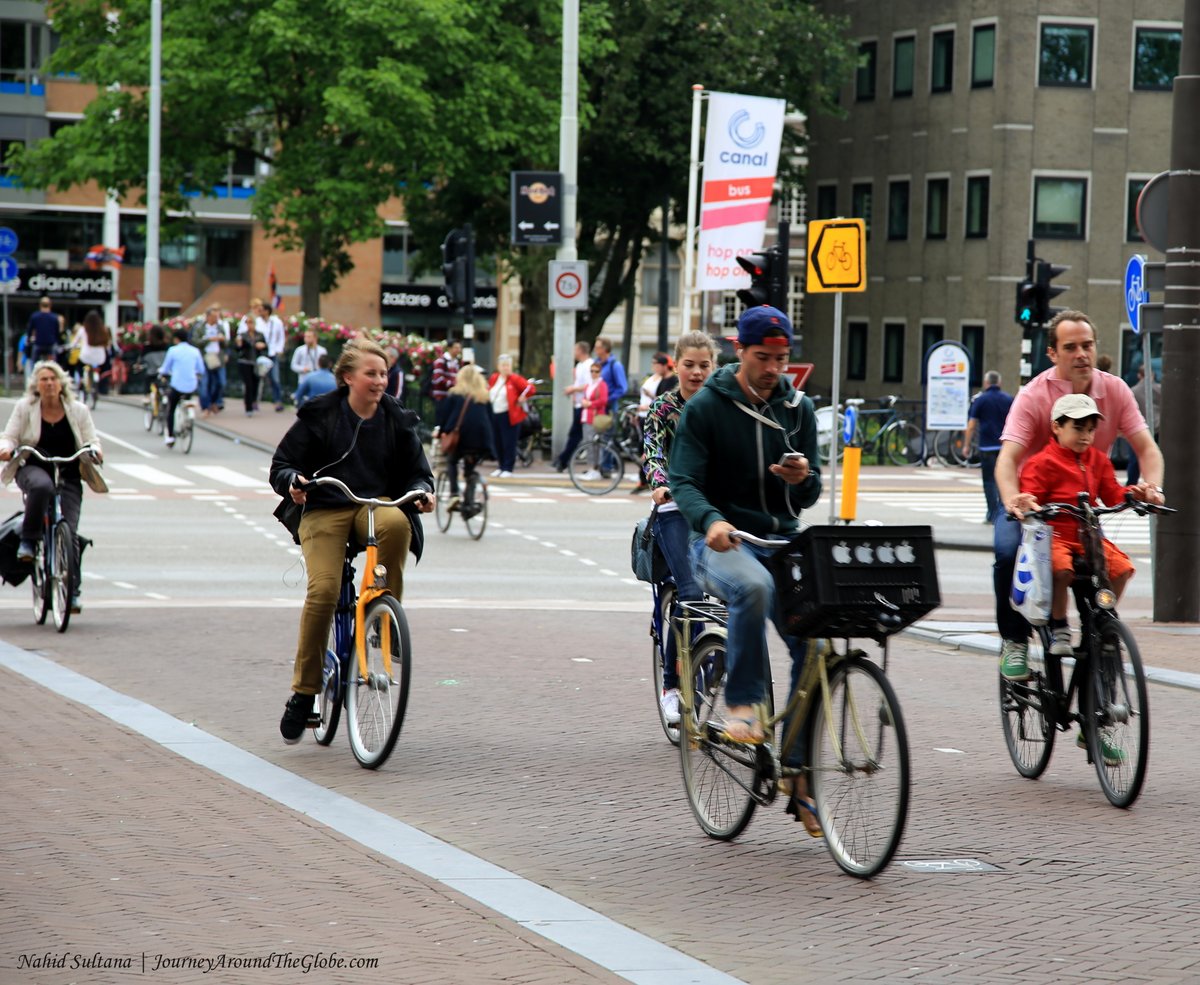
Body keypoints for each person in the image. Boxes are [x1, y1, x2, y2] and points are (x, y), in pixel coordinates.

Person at [669, 305, 822, 834]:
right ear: (739, 351)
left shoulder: (798, 409)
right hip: (720, 541)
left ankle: (797, 770)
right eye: (763, 357)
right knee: (753, 587)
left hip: (780, 539)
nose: (773, 368)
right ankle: (742, 705)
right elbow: (683, 480)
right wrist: (710, 520)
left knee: (819, 641)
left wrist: (802, 478)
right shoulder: (706, 408)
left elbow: (809, 494)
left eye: (781, 358)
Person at [268, 340, 435, 744]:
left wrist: (423, 492)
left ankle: (381, 612)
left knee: (397, 523)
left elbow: (419, 471)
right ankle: (304, 693)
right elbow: (282, 465)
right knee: (324, 591)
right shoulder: (322, 414)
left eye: (384, 374)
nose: (380, 381)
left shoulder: (395, 418)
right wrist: (294, 483)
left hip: (373, 506)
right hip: (325, 507)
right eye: (371, 374)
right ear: (348, 378)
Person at [994, 310, 1164, 682]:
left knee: (1105, 582)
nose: (1081, 354)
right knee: (1008, 553)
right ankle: (1015, 640)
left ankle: (1099, 641)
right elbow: (1007, 460)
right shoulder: (1033, 395)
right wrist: (1014, 500)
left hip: (1081, 511)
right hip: (1031, 502)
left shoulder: (1115, 390)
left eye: (1087, 345)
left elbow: (1147, 450)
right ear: (1052, 353)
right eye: (1070, 347)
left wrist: (1150, 489)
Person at [1014, 394, 1149, 660]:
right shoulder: (1041, 462)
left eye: (1090, 430)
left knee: (1122, 569)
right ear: (1056, 426)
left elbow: (1112, 495)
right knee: (1061, 571)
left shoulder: (1098, 460)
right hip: (1055, 535)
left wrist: (1134, 495)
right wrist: (1029, 502)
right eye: (1078, 428)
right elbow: (1031, 494)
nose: (1085, 436)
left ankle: (1104, 619)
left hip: (1088, 536)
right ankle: (1060, 627)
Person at [642, 331, 718, 724]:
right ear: (676, 365)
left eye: (704, 365)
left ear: (714, 367)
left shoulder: (722, 407)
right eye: (689, 364)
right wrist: (659, 483)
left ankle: (718, 657)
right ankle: (672, 685)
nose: (697, 372)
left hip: (715, 511)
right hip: (674, 509)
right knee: (690, 594)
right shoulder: (663, 408)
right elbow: (653, 450)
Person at [0, 361, 106, 612]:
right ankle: (29, 541)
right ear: (36, 385)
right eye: (44, 379)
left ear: (61, 383)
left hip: (69, 471)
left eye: (53, 379)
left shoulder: (77, 410)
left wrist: (96, 451)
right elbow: (10, 436)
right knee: (41, 487)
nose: (49, 383)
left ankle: (73, 592)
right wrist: (6, 448)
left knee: (70, 530)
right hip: (35, 466)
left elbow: (92, 439)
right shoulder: (25, 408)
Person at [439, 364, 496, 513]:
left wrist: (442, 432)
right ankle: (469, 502)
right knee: (470, 469)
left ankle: (454, 494)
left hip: (461, 439)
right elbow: (491, 419)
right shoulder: (484, 396)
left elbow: (445, 417)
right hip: (482, 441)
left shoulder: (455, 394)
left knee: (452, 461)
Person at [963, 370, 1012, 523]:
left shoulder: (981, 400)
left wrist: (966, 445)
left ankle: (992, 513)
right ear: (999, 383)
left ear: (986, 383)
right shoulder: (1009, 399)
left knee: (989, 481)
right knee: (1004, 479)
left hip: (986, 447)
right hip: (1004, 447)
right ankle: (1003, 512)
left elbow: (971, 425)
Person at [631, 352, 676, 493]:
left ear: (664, 365)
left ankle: (655, 481)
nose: (654, 367)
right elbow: (658, 400)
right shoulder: (662, 380)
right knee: (643, 449)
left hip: (665, 422)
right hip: (653, 419)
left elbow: (667, 403)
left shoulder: (673, 380)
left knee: (652, 451)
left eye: (655, 364)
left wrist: (649, 405)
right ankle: (646, 480)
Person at [158, 327, 206, 447]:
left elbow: (166, 367)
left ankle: (170, 436)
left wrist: (162, 372)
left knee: (171, 408)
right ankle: (187, 423)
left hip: (177, 384)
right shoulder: (195, 351)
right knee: (187, 400)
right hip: (191, 384)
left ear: (176, 339)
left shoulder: (173, 350)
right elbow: (201, 369)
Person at [487, 354, 533, 478]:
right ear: (498, 366)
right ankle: (501, 466)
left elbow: (530, 388)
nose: (505, 368)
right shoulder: (494, 378)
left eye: (507, 365)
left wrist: (523, 397)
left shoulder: (515, 379)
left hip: (509, 414)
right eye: (503, 365)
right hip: (495, 413)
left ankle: (508, 467)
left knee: (509, 442)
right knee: (497, 441)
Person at [551, 341, 592, 472]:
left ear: (581, 351)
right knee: (577, 434)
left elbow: (589, 385)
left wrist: (573, 389)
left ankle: (563, 460)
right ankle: (563, 460)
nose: (573, 353)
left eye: (575, 350)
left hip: (586, 405)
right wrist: (573, 389)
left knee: (577, 434)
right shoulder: (580, 365)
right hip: (580, 404)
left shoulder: (589, 365)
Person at [1126, 365, 1160, 486]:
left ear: (1139, 375)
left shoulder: (1132, 391)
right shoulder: (1160, 389)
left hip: (1137, 430)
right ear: (1152, 375)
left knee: (1134, 461)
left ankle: (1131, 486)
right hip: (1157, 429)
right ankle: (1152, 485)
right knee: (1154, 456)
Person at [577, 360, 609, 481]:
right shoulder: (589, 384)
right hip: (586, 416)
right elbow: (584, 397)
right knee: (588, 444)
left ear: (600, 372)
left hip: (595, 418)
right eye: (592, 371)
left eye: (596, 371)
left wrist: (590, 404)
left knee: (594, 445)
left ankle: (595, 469)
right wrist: (584, 402)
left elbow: (603, 400)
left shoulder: (602, 385)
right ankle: (591, 468)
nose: (594, 373)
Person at [234, 305, 267, 415]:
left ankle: (253, 401)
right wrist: (238, 344)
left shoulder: (260, 335)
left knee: (256, 383)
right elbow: (237, 349)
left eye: (251, 322)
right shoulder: (242, 335)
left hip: (256, 362)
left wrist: (262, 346)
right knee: (248, 384)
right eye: (247, 323)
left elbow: (266, 348)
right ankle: (248, 408)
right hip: (245, 361)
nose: (249, 325)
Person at [198, 305, 230, 415]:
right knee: (205, 383)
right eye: (214, 316)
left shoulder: (220, 327)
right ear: (208, 317)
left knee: (221, 382)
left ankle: (214, 402)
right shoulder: (200, 327)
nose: (216, 319)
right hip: (204, 358)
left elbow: (226, 344)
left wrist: (223, 340)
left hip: (217, 358)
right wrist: (209, 339)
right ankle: (205, 407)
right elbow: (195, 341)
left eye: (217, 316)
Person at [261, 301, 288, 411]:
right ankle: (255, 401)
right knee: (258, 378)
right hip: (260, 353)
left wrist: (278, 350)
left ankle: (277, 400)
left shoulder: (276, 322)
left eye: (262, 310)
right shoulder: (257, 321)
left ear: (267, 311)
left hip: (272, 353)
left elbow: (281, 337)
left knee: (275, 378)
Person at [77, 310, 112, 393]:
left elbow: (75, 342)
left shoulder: (83, 330)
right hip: (100, 358)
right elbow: (107, 345)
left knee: (79, 365)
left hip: (86, 357)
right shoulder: (103, 330)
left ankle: (81, 379)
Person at [431, 340, 462, 426]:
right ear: (449, 348)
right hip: (442, 398)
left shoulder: (457, 362)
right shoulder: (441, 361)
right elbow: (437, 379)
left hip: (452, 397)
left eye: (459, 348)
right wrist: (453, 384)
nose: (459, 350)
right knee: (441, 423)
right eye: (456, 347)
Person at [592, 337, 627, 413]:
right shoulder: (596, 363)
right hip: (595, 405)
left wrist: (607, 400)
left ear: (604, 349)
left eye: (597, 347)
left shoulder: (615, 365)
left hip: (609, 406)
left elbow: (622, 388)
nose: (594, 349)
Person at [26, 297, 63, 363]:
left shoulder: (35, 316)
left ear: (40, 305)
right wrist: (58, 342)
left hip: (38, 344)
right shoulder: (54, 317)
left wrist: (28, 340)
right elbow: (57, 333)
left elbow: (29, 330)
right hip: (51, 344)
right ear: (50, 305)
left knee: (34, 364)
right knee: (53, 364)